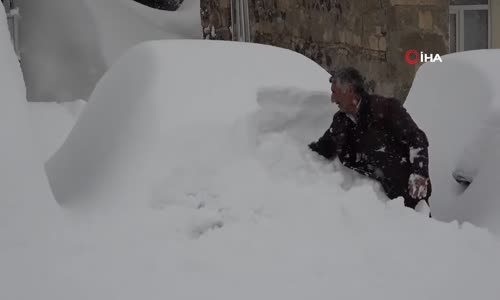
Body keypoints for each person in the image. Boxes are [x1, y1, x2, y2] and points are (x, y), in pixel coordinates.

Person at [309, 67, 432, 211]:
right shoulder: (340, 122)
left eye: (334, 92)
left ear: (349, 90)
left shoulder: (385, 109)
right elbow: (321, 150)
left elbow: (416, 138)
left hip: (408, 195)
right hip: (376, 204)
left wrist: (419, 173)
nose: (332, 99)